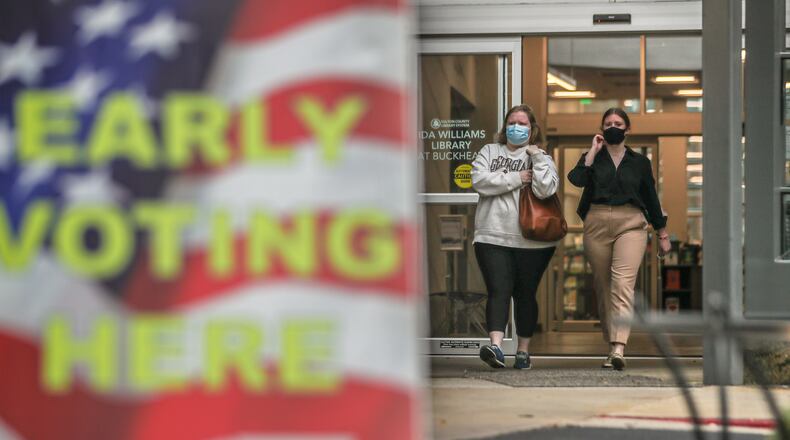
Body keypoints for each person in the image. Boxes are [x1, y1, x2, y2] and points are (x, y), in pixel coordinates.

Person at [567, 107, 672, 371]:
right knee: (603, 287)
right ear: (602, 129)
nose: (613, 126)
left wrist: (662, 233)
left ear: (628, 129)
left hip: (631, 223)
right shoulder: (593, 158)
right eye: (608, 123)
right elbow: (576, 179)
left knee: (622, 285)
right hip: (597, 223)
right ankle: (610, 342)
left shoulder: (639, 162)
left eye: (618, 123)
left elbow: (651, 198)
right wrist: (592, 150)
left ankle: (619, 347)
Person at [471, 104, 560, 370]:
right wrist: (518, 177)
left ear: (532, 129)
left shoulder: (540, 155)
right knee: (498, 291)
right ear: (504, 126)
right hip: (491, 235)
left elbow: (546, 189)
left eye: (523, 123)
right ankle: (496, 347)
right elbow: (479, 180)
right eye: (512, 122)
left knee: (525, 294)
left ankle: (523, 351)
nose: (516, 127)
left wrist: (537, 157)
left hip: (532, 240)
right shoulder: (490, 151)